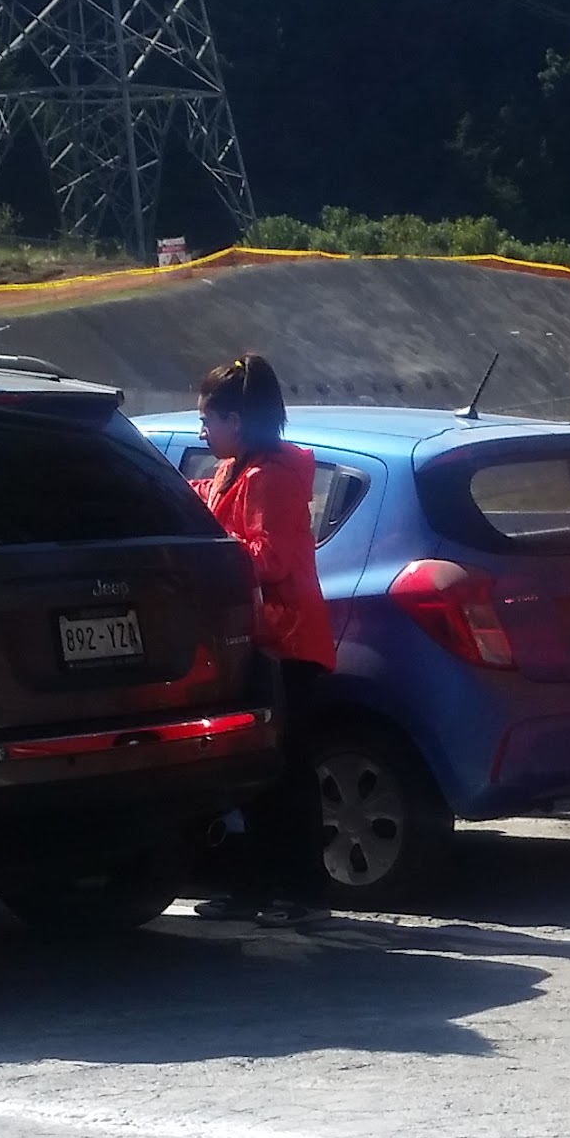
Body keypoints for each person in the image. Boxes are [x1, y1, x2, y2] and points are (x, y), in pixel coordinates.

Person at [188, 353, 334, 920]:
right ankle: (257, 888)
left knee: (285, 770)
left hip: (287, 644)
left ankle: (303, 891)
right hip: (262, 641)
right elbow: (205, 496)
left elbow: (272, 559)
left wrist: (217, 553)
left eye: (208, 419)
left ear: (238, 420)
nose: (203, 430)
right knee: (259, 772)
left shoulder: (270, 476)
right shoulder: (237, 470)